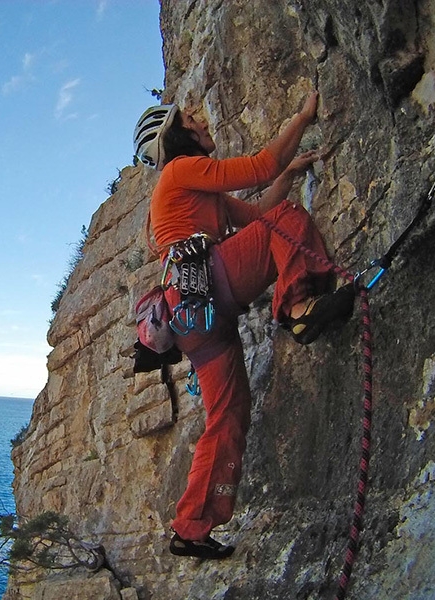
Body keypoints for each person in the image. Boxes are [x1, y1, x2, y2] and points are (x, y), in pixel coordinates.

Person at [133, 91, 354, 559]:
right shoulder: (180, 171)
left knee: (227, 417)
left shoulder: (197, 193)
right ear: (179, 133)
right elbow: (261, 169)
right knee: (290, 219)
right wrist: (303, 116)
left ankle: (191, 527)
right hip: (210, 286)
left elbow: (258, 216)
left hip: (193, 316)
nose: (202, 119)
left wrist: (291, 174)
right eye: (191, 118)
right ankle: (297, 308)